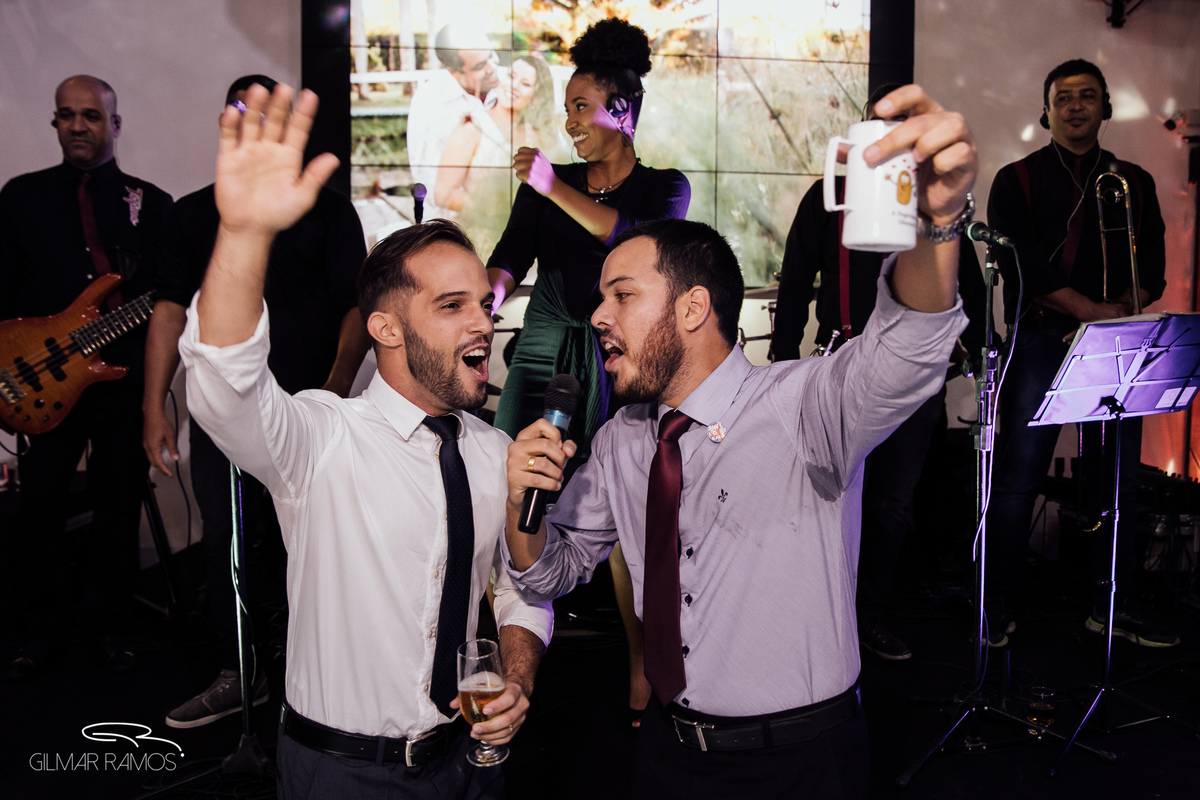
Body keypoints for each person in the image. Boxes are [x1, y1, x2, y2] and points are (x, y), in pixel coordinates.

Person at [503, 85, 977, 798]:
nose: (598, 315)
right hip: (665, 747)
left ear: (694, 307)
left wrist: (936, 225)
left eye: (621, 295)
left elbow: (908, 348)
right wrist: (522, 509)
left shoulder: (803, 407)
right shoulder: (625, 441)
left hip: (799, 762)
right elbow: (552, 573)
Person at [178, 83, 551, 798]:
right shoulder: (321, 437)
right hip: (342, 774)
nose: (483, 322)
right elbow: (224, 384)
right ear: (385, 329)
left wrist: (519, 676)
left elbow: (519, 589)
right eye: (452, 306)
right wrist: (246, 233)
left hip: (471, 765)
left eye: (483, 302)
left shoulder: (492, 451)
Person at [142, 75, 372, 728]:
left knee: (317, 541)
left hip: (308, 406)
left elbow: (354, 307)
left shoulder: (327, 210)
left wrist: (334, 388)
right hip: (223, 414)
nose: (251, 118)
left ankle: (320, 678)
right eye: (239, 108)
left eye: (261, 108)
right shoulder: (189, 213)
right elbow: (167, 310)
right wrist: (152, 405)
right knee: (228, 544)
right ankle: (239, 676)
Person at [485, 17, 690, 728]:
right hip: (544, 345)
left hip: (619, 357)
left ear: (622, 112)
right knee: (511, 489)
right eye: (566, 107)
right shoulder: (552, 183)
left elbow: (629, 241)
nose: (568, 121)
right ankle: (512, 653)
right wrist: (480, 302)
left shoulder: (666, 187)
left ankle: (640, 662)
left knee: (624, 507)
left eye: (581, 106)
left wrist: (549, 184)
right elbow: (511, 254)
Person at [771, 84, 990, 661]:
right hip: (832, 370)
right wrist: (782, 362)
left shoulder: (928, 206)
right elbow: (796, 280)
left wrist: (969, 347)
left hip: (910, 385)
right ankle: (814, 617)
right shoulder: (827, 195)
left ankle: (867, 617)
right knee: (819, 499)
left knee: (893, 503)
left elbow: (961, 282)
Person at [984, 59, 1175, 648]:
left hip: (1116, 341)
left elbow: (1156, 270)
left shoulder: (1133, 181)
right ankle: (998, 603)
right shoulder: (1014, 179)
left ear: (1105, 108)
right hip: (1042, 335)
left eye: (1087, 97)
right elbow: (1022, 266)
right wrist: (1089, 311)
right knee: (1018, 476)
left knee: (1114, 478)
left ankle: (1112, 604)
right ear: (1046, 111)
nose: (1074, 107)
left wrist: (1118, 310)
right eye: (1063, 98)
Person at [1, 75, 176, 680]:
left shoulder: (149, 203)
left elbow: (169, 295)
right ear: (55, 123)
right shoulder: (20, 198)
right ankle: (41, 630)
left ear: (114, 125)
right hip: (39, 379)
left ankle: (108, 626)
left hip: (120, 379)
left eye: (92, 116)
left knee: (116, 504)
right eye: (67, 116)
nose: (79, 126)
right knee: (40, 506)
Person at [435, 55, 556, 213]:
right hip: (479, 229)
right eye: (511, 76)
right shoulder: (472, 127)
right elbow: (442, 194)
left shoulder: (536, 136)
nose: (514, 86)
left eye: (525, 84)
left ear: (536, 97)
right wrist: (498, 212)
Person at [407, 24, 499, 220]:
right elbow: (432, 190)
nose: (493, 68)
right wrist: (496, 212)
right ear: (453, 72)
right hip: (453, 225)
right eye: (480, 65)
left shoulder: (507, 86)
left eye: (491, 55)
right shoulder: (430, 104)